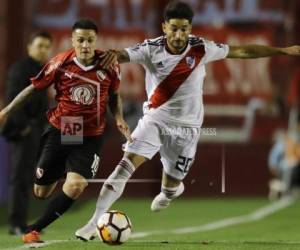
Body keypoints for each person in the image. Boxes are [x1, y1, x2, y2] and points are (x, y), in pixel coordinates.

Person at [74, 0, 300, 241]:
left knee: (170, 186)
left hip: (187, 129)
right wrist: (113, 55)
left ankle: (170, 190)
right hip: (155, 120)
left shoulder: (201, 48)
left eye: (184, 28)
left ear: (190, 28)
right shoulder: (151, 49)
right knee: (125, 165)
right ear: (164, 27)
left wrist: (282, 50)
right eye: (174, 28)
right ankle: (92, 224)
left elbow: (241, 51)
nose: (179, 34)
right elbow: (124, 54)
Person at [0, 18, 130, 243]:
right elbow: (33, 88)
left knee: (76, 184)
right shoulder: (60, 63)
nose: (86, 45)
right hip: (66, 125)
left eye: (90, 40)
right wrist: (7, 110)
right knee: (41, 192)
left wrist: (118, 117)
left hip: (92, 132)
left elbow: (114, 95)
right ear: (73, 40)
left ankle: (34, 229)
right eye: (81, 40)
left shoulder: (109, 64)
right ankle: (63, 168)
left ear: (95, 40)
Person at [1, 31, 52, 235]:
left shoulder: (43, 69)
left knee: (31, 178)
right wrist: (25, 128)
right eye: (40, 45)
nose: (44, 50)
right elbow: (12, 99)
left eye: (47, 46)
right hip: (24, 131)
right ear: (29, 47)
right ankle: (16, 224)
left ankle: (23, 221)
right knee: (20, 178)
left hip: (38, 130)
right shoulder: (21, 69)